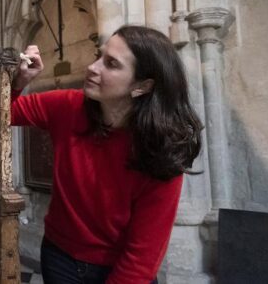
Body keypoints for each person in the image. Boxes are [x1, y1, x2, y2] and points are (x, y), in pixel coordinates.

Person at [11, 25, 203, 284]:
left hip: (120, 269)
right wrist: (18, 83)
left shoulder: (161, 150)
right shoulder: (68, 106)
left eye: (111, 64)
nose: (93, 68)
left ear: (143, 86)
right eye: (99, 57)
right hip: (59, 257)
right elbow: (5, 113)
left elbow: (142, 259)